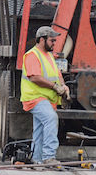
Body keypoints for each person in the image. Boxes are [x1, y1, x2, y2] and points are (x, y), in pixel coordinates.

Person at [21, 26, 70, 165]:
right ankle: (49, 156)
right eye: (52, 40)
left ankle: (36, 160)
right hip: (35, 97)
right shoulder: (32, 55)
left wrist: (63, 85)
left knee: (40, 129)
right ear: (42, 40)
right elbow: (35, 77)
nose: (54, 43)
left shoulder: (48, 56)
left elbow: (57, 73)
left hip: (45, 99)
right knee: (50, 118)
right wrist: (55, 87)